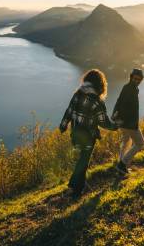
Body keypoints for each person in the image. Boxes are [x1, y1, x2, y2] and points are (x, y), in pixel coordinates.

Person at [59, 69, 118, 198]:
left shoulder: (78, 94)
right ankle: (74, 188)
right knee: (83, 161)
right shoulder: (97, 101)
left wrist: (63, 126)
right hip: (88, 136)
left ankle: (78, 188)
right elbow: (104, 122)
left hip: (75, 133)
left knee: (82, 160)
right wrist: (116, 126)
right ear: (100, 84)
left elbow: (69, 111)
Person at [112, 68, 144, 175]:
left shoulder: (127, 87)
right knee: (140, 143)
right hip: (129, 123)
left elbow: (119, 101)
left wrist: (115, 115)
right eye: (135, 78)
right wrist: (131, 123)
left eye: (139, 79)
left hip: (123, 122)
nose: (137, 81)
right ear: (131, 77)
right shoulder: (131, 89)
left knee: (126, 142)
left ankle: (121, 165)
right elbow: (125, 106)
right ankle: (122, 164)